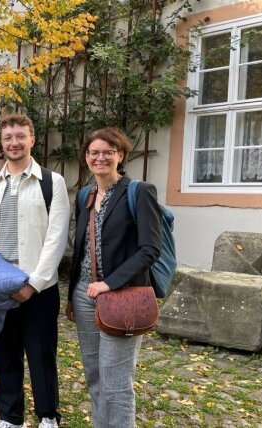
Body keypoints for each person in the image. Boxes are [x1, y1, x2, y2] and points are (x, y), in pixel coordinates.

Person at [0, 113, 70, 428]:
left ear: (32, 139)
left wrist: (34, 283)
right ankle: (11, 418)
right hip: (1, 287)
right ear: (2, 142)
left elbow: (57, 239)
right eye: (8, 137)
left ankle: (47, 416)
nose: (14, 142)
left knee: (41, 354)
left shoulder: (52, 183)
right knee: (5, 353)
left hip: (38, 289)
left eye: (20, 136)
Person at [66, 128, 162, 428]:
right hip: (85, 295)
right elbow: (81, 248)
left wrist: (109, 283)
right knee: (94, 376)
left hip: (123, 297)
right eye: (94, 152)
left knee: (117, 383)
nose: (101, 157)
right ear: (86, 158)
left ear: (121, 156)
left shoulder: (139, 191)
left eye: (108, 152)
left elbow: (150, 249)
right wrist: (72, 295)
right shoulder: (85, 194)